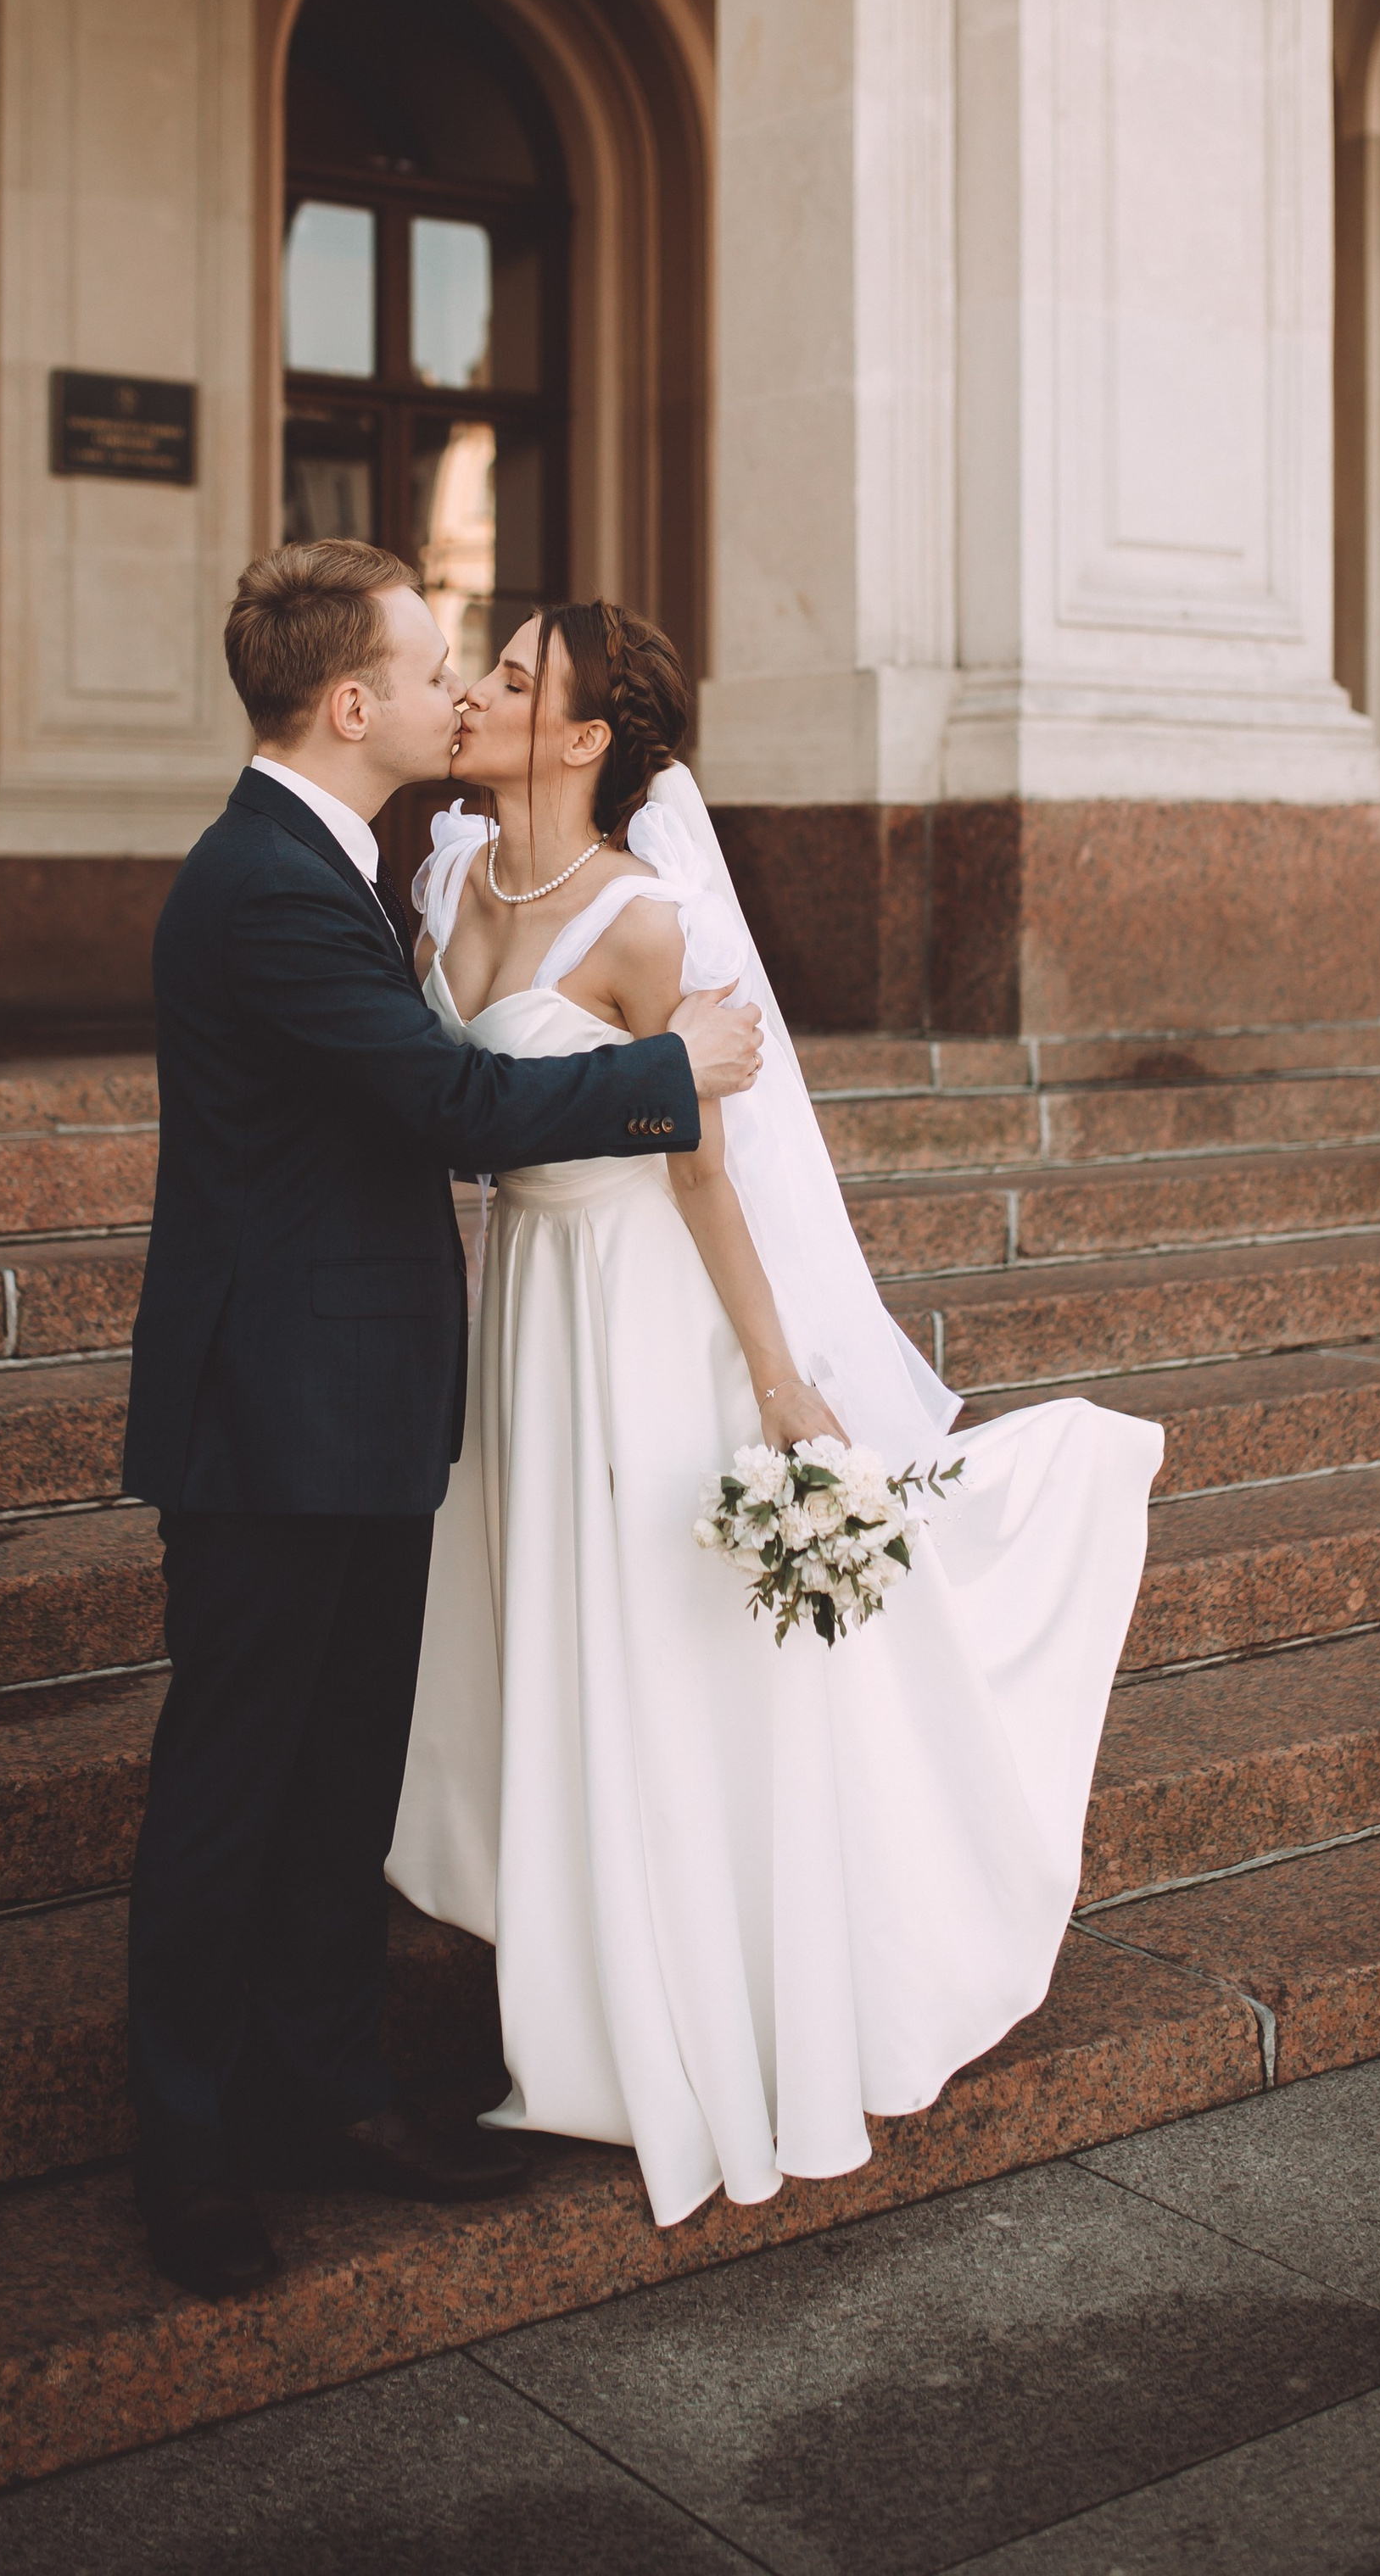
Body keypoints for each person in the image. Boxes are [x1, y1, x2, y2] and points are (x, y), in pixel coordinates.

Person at [388, 599, 1165, 2228]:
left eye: (516, 680)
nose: (475, 691)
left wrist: (777, 1375)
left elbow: (708, 1180)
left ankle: (686, 1994)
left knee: (654, 1647)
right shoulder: (450, 876)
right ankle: (572, 1981)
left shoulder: (645, 924)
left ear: (590, 737)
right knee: (551, 1639)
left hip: (639, 1311)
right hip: (522, 1307)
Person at [120, 543, 764, 2301]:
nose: (451, 691)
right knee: (236, 1791)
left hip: (367, 1400)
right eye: (427, 668)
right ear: (351, 704)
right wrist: (668, 1071)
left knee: (335, 1783)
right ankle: (185, 2154)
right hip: (271, 1421)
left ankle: (327, 2092)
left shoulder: (345, 865)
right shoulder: (266, 884)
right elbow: (440, 1098)